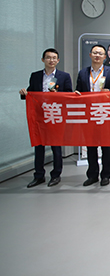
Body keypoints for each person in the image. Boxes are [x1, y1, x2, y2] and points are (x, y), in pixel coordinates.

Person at [20, 48, 73, 188]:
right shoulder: (35, 75)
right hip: (39, 116)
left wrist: (57, 94)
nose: (51, 60)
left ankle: (56, 175)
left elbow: (69, 95)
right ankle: (39, 175)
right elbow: (31, 93)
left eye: (54, 58)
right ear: (43, 60)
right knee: (39, 146)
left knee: (56, 147)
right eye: (48, 57)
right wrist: (24, 94)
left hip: (55, 115)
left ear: (58, 60)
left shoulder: (64, 76)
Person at [75, 44, 110, 187]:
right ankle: (92, 175)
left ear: (104, 57)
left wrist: (109, 90)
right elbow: (78, 90)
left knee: (106, 145)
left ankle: (106, 175)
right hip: (89, 113)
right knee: (91, 146)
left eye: (100, 53)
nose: (97, 55)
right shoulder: (83, 73)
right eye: (95, 53)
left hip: (105, 112)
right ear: (90, 55)